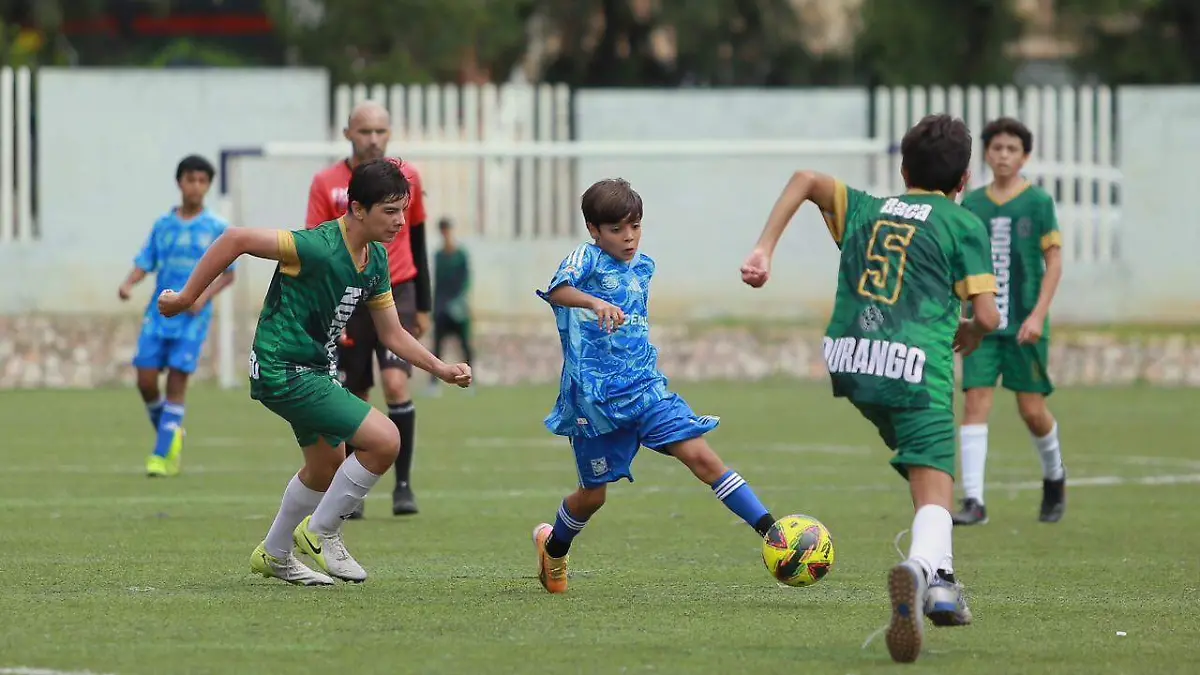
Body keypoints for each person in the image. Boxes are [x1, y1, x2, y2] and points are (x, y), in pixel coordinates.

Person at [740, 114, 1000, 663]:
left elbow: (806, 179)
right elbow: (988, 316)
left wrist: (764, 249)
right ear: (965, 179)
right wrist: (973, 332)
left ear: (903, 169)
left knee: (923, 469)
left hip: (851, 361)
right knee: (936, 482)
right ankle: (922, 571)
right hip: (914, 364)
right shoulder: (962, 223)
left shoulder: (867, 208)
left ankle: (944, 584)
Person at [158, 158, 471, 586]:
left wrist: (441, 368)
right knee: (385, 440)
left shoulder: (376, 259)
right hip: (282, 367)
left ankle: (274, 553)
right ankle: (322, 531)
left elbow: (392, 334)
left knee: (325, 466)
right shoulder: (315, 246)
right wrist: (187, 298)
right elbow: (235, 239)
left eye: (403, 210)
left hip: (315, 369)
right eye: (390, 211)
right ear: (357, 208)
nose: (401, 221)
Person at [531, 178, 777, 595]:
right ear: (593, 230)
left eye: (635, 226)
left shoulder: (643, 266)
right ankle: (553, 548)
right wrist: (595, 302)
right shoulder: (585, 258)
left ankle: (774, 533)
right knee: (593, 497)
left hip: (646, 390)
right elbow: (558, 291)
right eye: (616, 229)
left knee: (702, 457)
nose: (629, 237)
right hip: (595, 403)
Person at [306, 100, 431, 518]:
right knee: (355, 393)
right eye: (365, 131)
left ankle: (403, 486)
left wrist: (424, 303)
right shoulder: (327, 183)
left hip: (399, 288)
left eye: (381, 131)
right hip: (347, 293)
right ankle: (353, 490)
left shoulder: (408, 178)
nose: (373, 139)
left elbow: (418, 237)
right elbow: (317, 246)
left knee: (396, 384)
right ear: (348, 134)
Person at [955, 117, 1066, 526]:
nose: (1003, 155)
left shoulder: (1038, 203)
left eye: (1012, 149)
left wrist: (1037, 315)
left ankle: (1055, 475)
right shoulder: (973, 205)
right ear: (986, 153)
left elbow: (1054, 262)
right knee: (975, 402)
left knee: (1032, 410)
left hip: (1024, 327)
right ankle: (974, 502)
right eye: (997, 148)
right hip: (982, 328)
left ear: (1025, 157)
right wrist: (961, 314)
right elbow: (961, 263)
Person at [118, 154, 235, 477]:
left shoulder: (217, 228)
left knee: (176, 382)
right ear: (179, 183)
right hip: (160, 313)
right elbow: (146, 260)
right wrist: (128, 283)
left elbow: (228, 274)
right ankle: (171, 434)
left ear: (208, 186)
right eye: (190, 180)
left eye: (202, 181)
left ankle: (162, 456)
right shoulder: (164, 225)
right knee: (145, 379)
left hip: (193, 319)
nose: (196, 186)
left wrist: (202, 297)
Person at [429, 217, 473, 392]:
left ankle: (470, 381)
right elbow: (438, 283)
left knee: (465, 345)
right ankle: (433, 384)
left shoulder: (460, 255)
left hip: (458, 307)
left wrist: (460, 302)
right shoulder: (439, 255)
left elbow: (466, 281)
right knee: (437, 346)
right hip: (442, 306)